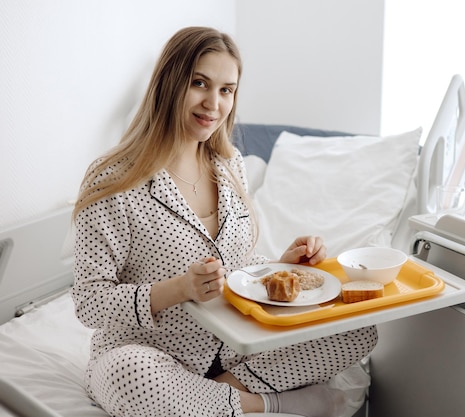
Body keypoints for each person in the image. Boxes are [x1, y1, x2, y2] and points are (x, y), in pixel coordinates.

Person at [70, 26, 377, 417]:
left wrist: (281, 269)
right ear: (169, 82)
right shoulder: (114, 178)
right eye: (200, 83)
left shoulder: (230, 165)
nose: (213, 103)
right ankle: (270, 404)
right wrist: (179, 289)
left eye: (226, 89)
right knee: (128, 376)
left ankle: (203, 399)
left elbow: (234, 266)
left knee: (356, 330)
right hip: (149, 351)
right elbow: (89, 302)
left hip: (234, 344)